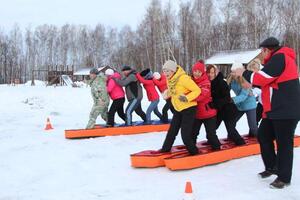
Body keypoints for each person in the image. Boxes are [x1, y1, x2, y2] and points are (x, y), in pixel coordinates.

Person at [232, 37, 300, 189]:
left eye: (262, 52)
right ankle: (272, 167)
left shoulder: (280, 57)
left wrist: (244, 72)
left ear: (266, 50)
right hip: (274, 111)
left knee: (284, 145)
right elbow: (263, 85)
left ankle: (284, 178)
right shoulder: (274, 60)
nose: (261, 55)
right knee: (263, 135)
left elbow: (263, 78)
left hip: (286, 111)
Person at [160, 60, 201, 155]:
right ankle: (165, 151)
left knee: (185, 135)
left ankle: (194, 153)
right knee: (172, 132)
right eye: (164, 71)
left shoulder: (183, 78)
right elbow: (175, 90)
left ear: (173, 70)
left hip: (189, 109)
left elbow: (197, 90)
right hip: (178, 109)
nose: (165, 73)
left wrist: (187, 98)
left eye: (167, 71)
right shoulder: (170, 79)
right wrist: (167, 93)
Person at [206, 64, 246, 145]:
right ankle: (213, 143)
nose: (210, 75)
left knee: (231, 131)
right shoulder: (208, 83)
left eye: (212, 73)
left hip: (228, 111)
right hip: (219, 111)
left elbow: (227, 98)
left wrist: (214, 104)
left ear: (216, 73)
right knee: (211, 129)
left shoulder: (222, 83)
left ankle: (241, 144)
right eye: (208, 73)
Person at [191, 60, 221, 150]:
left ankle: (217, 149)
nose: (197, 73)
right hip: (197, 114)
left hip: (208, 113)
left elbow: (202, 96)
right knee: (193, 133)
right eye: (195, 71)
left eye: (199, 72)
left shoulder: (206, 82)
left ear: (202, 72)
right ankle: (191, 148)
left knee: (211, 134)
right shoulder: (190, 81)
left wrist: (188, 98)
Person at [227, 61, 258, 137]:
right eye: (232, 72)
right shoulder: (231, 79)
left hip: (250, 105)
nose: (233, 74)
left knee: (253, 127)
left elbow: (243, 96)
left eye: (235, 72)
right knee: (231, 122)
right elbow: (226, 90)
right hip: (240, 105)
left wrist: (232, 100)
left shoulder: (245, 80)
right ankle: (232, 136)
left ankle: (260, 139)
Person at [247, 58, 263, 125]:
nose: (252, 72)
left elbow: (261, 89)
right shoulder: (254, 76)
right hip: (261, 102)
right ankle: (254, 132)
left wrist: (252, 92)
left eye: (253, 70)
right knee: (255, 119)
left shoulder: (261, 74)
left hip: (267, 103)